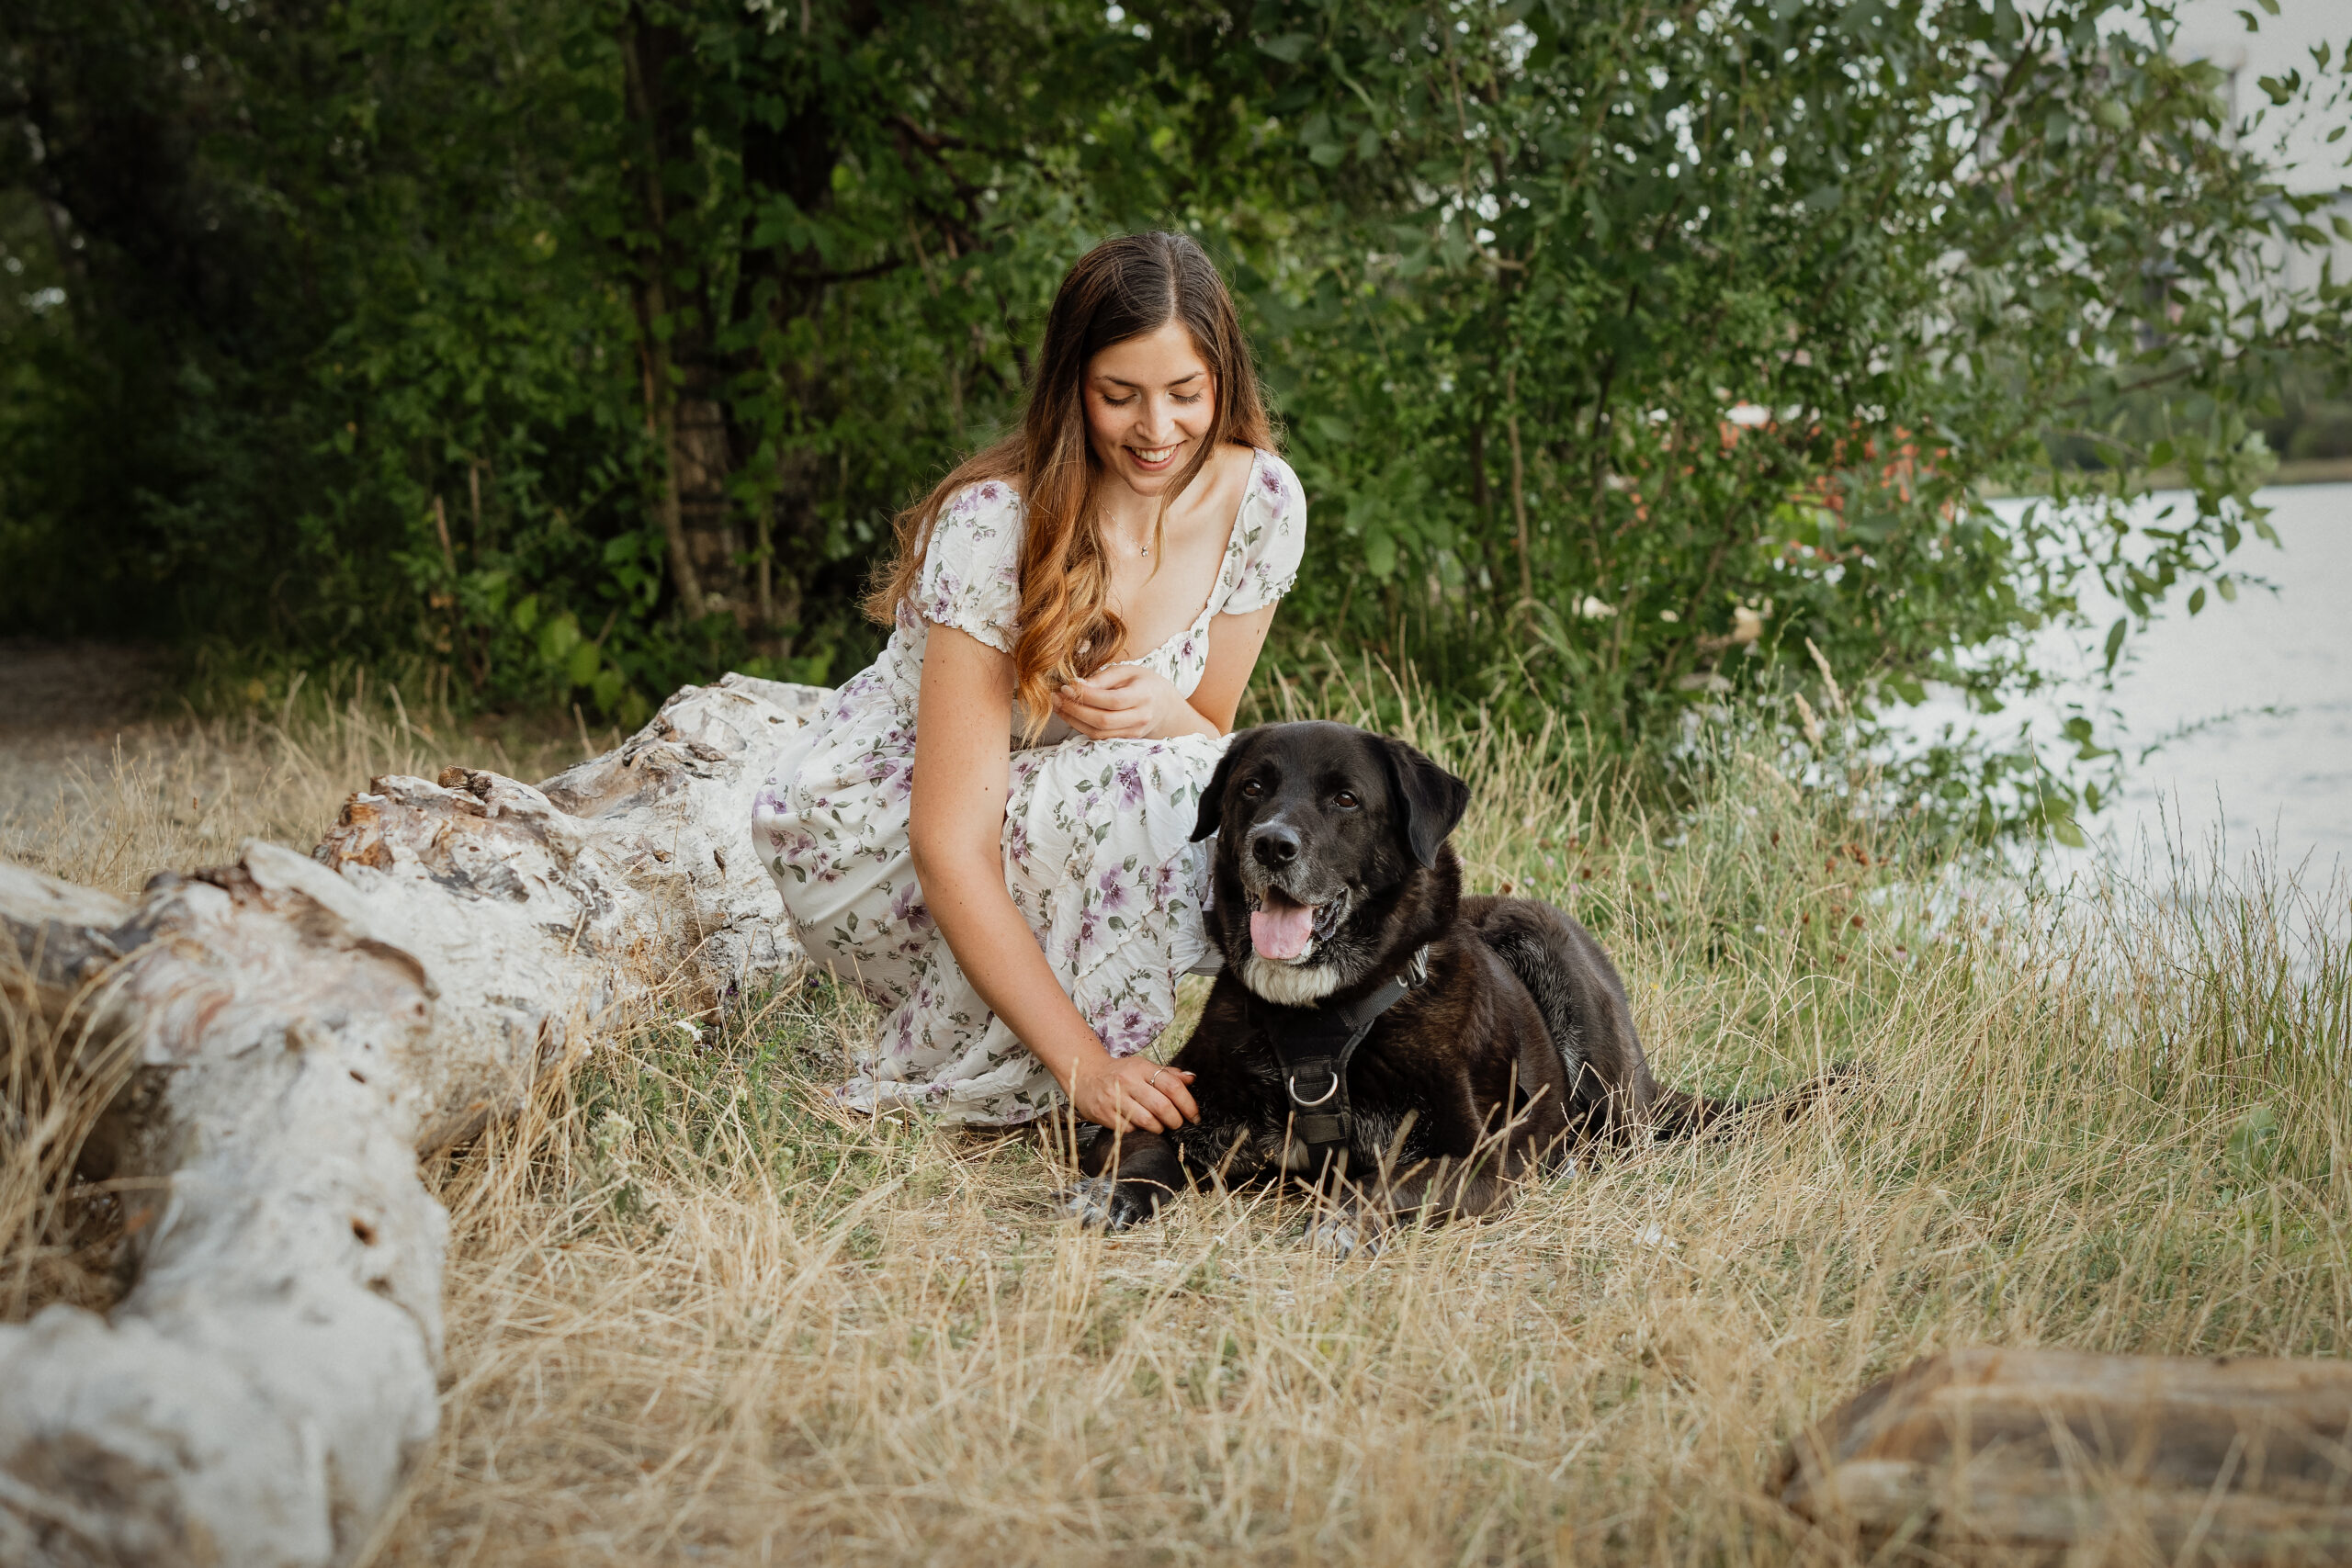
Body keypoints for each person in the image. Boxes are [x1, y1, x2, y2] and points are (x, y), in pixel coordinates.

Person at [752, 231, 1306, 1134]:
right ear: (1070, 388)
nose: (1156, 431)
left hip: (1054, 808)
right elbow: (947, 841)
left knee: (1230, 791)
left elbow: (1208, 735)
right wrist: (1084, 1067)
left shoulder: (1263, 506)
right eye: (1118, 396)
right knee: (1138, 788)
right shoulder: (994, 526)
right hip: (878, 834)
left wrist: (1169, 709)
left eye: (1184, 395)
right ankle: (1055, 1070)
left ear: (1225, 384)